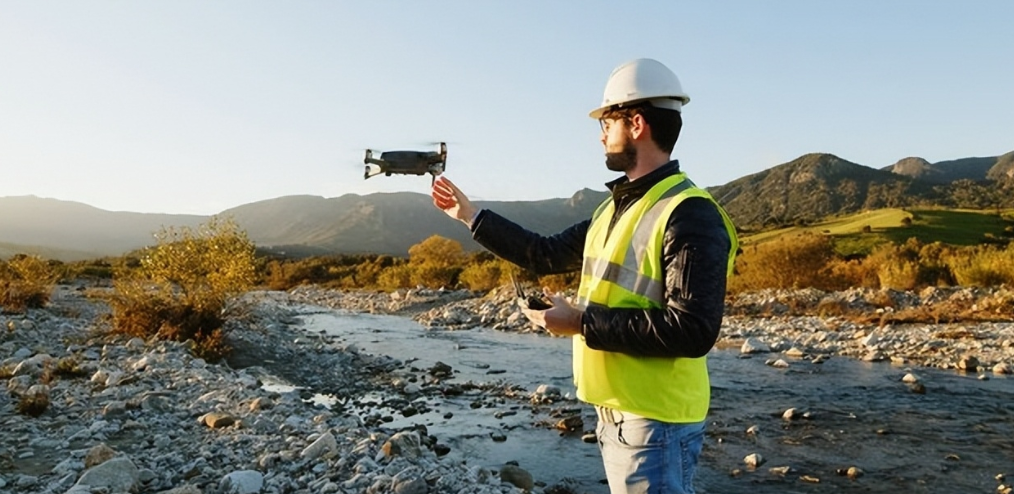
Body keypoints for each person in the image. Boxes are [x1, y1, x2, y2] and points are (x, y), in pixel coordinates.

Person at [431, 58, 738, 494]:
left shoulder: (690, 213)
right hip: (619, 415)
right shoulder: (611, 209)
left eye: (606, 123)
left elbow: (692, 330)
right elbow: (543, 253)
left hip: (656, 421)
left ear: (635, 124)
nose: (600, 136)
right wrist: (468, 215)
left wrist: (578, 322)